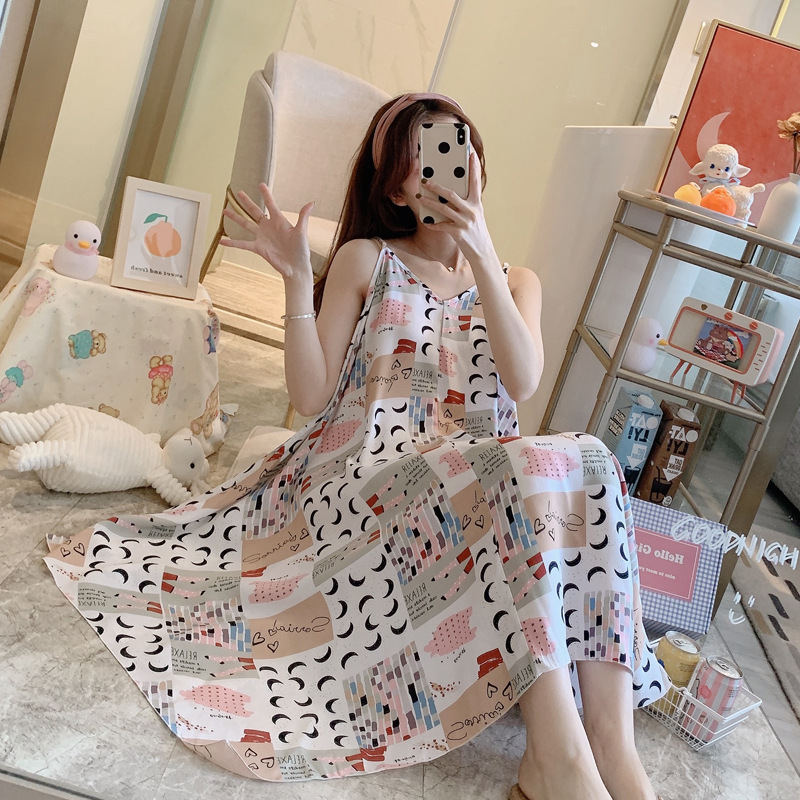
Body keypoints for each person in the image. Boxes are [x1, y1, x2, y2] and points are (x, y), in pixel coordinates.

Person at [48, 94, 667, 799]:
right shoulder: (368, 259)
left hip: (481, 480)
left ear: (477, 163)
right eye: (419, 161)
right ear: (396, 189)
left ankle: (613, 748)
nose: (442, 169)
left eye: (455, 148)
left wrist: (481, 249)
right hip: (372, 478)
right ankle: (558, 763)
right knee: (517, 469)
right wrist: (295, 281)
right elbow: (312, 396)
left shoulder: (515, 280)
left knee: (590, 457)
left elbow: (522, 381)